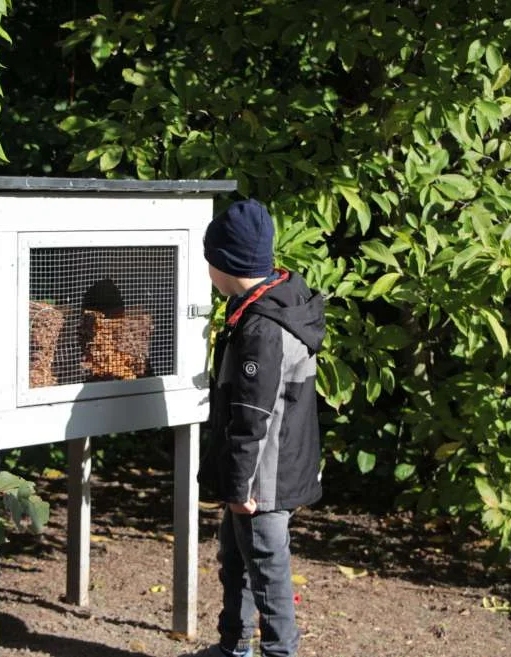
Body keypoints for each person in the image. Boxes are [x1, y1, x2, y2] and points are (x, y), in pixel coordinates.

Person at [191, 198, 325, 657]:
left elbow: (252, 416)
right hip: (263, 470)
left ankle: (279, 652)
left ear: (225, 263)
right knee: (237, 563)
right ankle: (234, 647)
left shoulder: (262, 329)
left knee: (267, 570)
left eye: (210, 259)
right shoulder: (272, 302)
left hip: (261, 479)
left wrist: (240, 486)